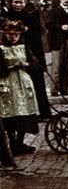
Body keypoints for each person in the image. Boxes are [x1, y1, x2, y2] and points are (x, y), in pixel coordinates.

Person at [0, 17, 39, 166]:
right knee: (9, 113)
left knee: (24, 112)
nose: (14, 38)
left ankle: (19, 143)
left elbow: (35, 64)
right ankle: (10, 141)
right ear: (5, 34)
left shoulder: (24, 47)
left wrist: (27, 65)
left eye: (16, 35)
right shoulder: (1, 49)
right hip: (7, 83)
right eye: (10, 35)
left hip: (23, 83)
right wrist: (9, 67)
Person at [6, 0, 49, 119]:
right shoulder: (6, 16)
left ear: (25, 3)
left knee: (38, 84)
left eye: (21, 2)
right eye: (16, 2)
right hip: (12, 55)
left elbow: (37, 39)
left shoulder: (31, 16)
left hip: (30, 54)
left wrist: (40, 60)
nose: (18, 5)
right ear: (11, 2)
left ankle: (44, 113)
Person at [47, 0, 68, 96]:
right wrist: (60, 27)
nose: (66, 0)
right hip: (57, 42)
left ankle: (65, 90)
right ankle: (54, 90)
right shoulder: (54, 11)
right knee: (56, 66)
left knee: (66, 65)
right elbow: (48, 24)